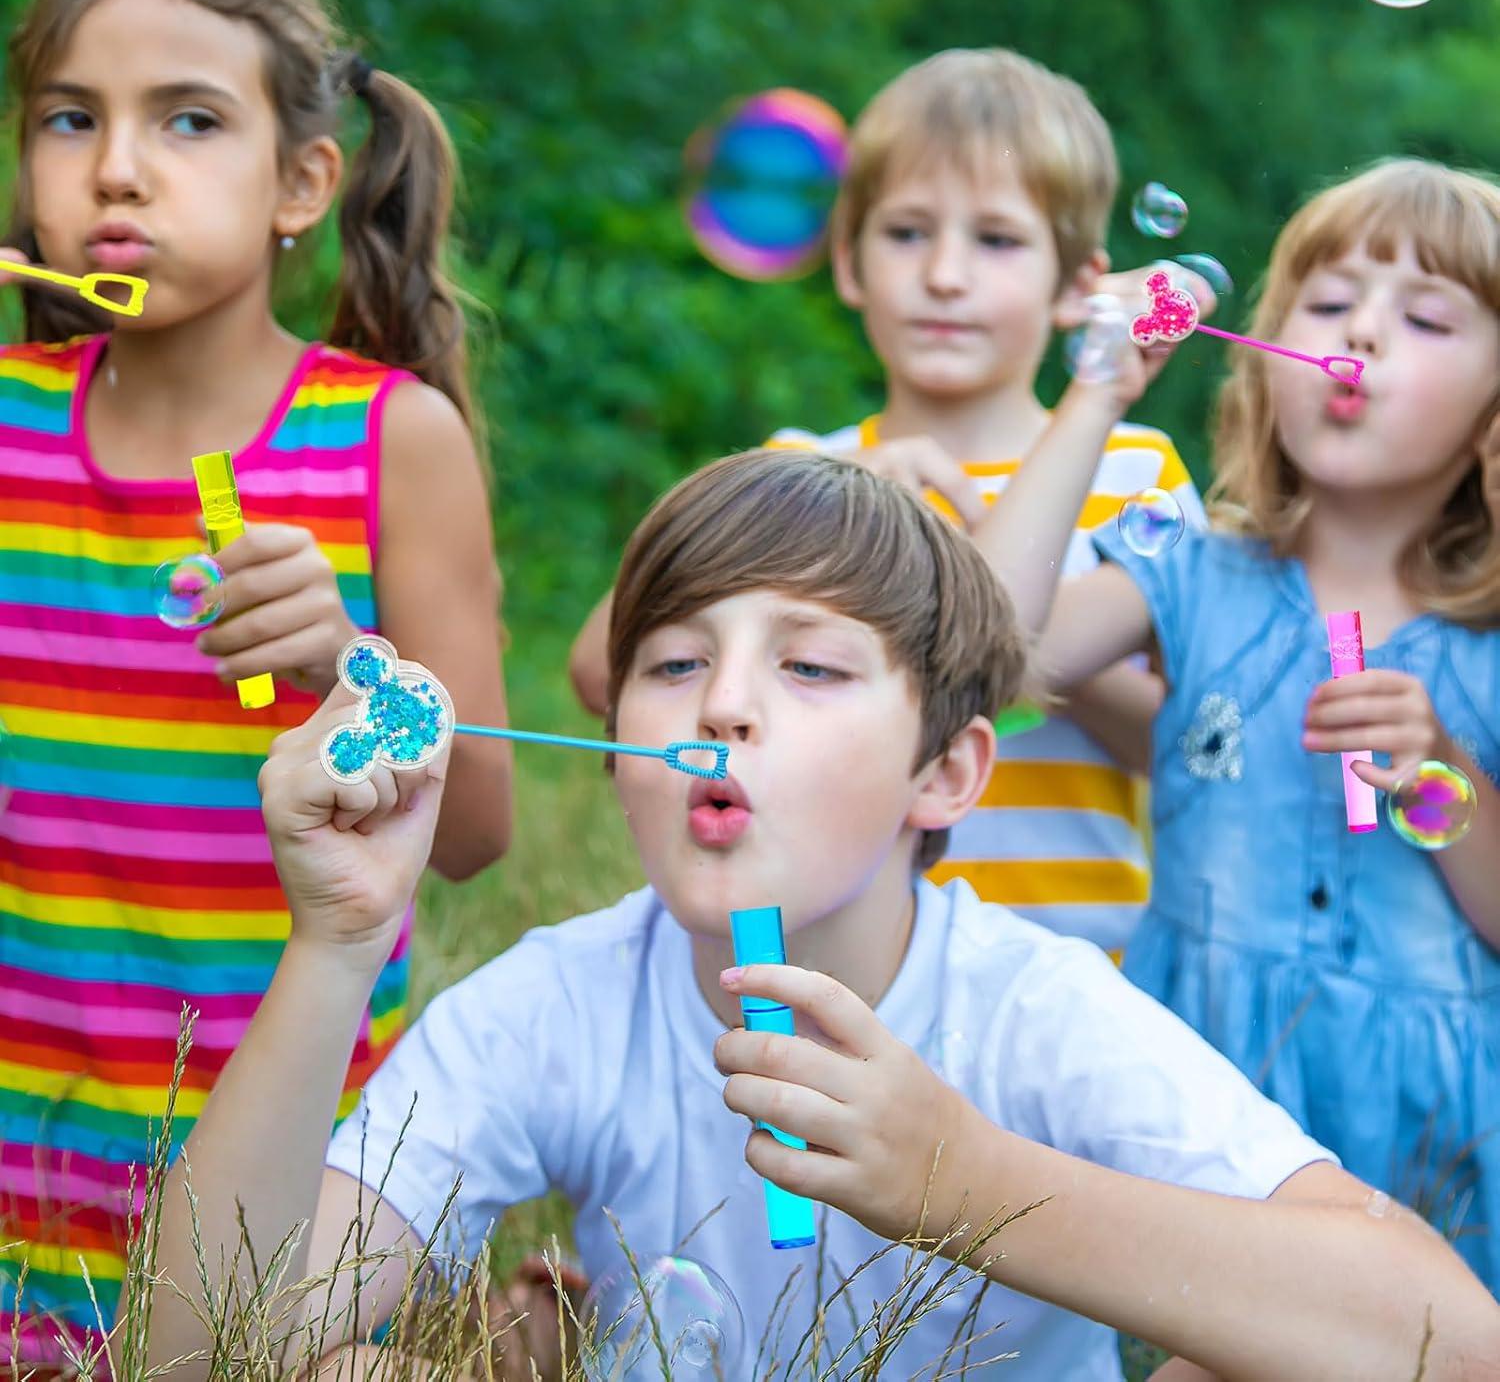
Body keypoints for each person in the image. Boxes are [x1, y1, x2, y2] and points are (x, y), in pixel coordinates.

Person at [130, 450, 1500, 1381]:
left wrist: (966, 1182)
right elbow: (196, 1352)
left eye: (812, 668)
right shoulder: (558, 1007)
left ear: (944, 772)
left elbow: (1453, 1339)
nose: (724, 704)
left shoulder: (1030, 1008)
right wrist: (338, 943)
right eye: (676, 662)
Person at [0, 0, 511, 1366]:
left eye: (190, 120)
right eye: (70, 118)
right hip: (26, 1163)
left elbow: (477, 830)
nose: (117, 168)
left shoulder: (388, 441)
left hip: (292, 1179)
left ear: (303, 182)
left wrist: (350, 666)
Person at [975, 157, 1500, 1293]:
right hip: (1197, 1109)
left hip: (1436, 1147)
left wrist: (1447, 769)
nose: (1360, 332)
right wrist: (1097, 394)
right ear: (1267, 358)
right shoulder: (1189, 572)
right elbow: (988, 649)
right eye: (1328, 302)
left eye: (1423, 318)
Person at [569, 48, 1210, 962]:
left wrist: (1000, 628)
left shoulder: (1134, 471)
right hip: (836, 963)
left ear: (1079, 285)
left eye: (997, 240)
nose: (945, 274)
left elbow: (1194, 748)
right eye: (907, 233)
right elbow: (601, 668)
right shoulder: (804, 474)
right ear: (849, 262)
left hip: (1072, 960)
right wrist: (841, 518)